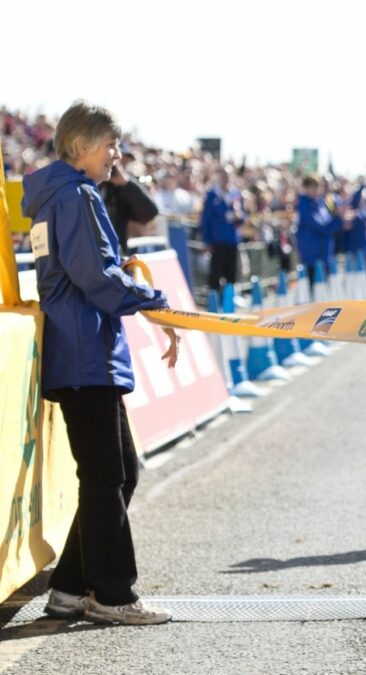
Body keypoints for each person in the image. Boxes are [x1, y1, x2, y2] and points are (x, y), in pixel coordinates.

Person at [22, 101, 177, 625]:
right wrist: (151, 298)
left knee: (114, 473)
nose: (116, 155)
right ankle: (113, 596)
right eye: (109, 145)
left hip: (82, 353)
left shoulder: (58, 197)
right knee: (108, 474)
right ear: (81, 146)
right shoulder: (77, 197)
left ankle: (68, 589)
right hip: (86, 354)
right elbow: (98, 277)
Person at [99, 150, 159, 253]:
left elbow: (149, 213)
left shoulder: (120, 189)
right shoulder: (87, 183)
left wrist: (126, 183)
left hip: (113, 253)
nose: (114, 165)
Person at [200, 167, 245, 293]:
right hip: (217, 240)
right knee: (216, 274)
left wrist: (239, 216)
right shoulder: (212, 195)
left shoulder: (236, 194)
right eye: (223, 175)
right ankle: (214, 303)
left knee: (231, 274)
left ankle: (229, 302)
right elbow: (206, 219)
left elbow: (243, 216)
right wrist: (207, 241)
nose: (225, 179)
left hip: (232, 240)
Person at [295, 174, 340, 288]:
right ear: (305, 188)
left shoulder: (321, 203)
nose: (316, 190)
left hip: (324, 253)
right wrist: (339, 219)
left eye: (317, 186)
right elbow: (321, 227)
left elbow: (328, 222)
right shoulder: (304, 205)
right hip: (311, 255)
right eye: (312, 187)